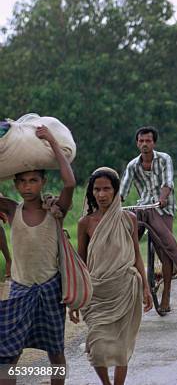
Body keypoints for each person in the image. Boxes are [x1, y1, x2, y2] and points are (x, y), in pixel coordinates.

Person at [0, 126, 75, 385]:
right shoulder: (11, 209)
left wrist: (52, 141)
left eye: (33, 180)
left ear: (43, 181)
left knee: (55, 353)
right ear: (15, 184)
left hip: (50, 289)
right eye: (22, 181)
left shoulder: (56, 211)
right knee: (8, 356)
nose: (27, 186)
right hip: (20, 289)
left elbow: (70, 182)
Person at [71, 168, 152, 385]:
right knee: (97, 349)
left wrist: (146, 287)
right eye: (97, 189)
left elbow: (136, 255)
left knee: (121, 347)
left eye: (107, 189)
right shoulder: (85, 223)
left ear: (116, 191)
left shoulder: (129, 219)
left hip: (126, 288)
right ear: (91, 192)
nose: (101, 194)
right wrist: (76, 297)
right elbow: (81, 261)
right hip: (96, 292)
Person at [119, 126, 177, 313]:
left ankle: (166, 294)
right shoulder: (133, 165)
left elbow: (167, 182)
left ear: (154, 143)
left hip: (163, 208)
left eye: (148, 141)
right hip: (143, 208)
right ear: (137, 143)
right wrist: (115, 204)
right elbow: (123, 189)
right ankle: (126, 283)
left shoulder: (164, 159)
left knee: (165, 247)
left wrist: (163, 198)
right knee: (127, 243)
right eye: (141, 141)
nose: (144, 144)